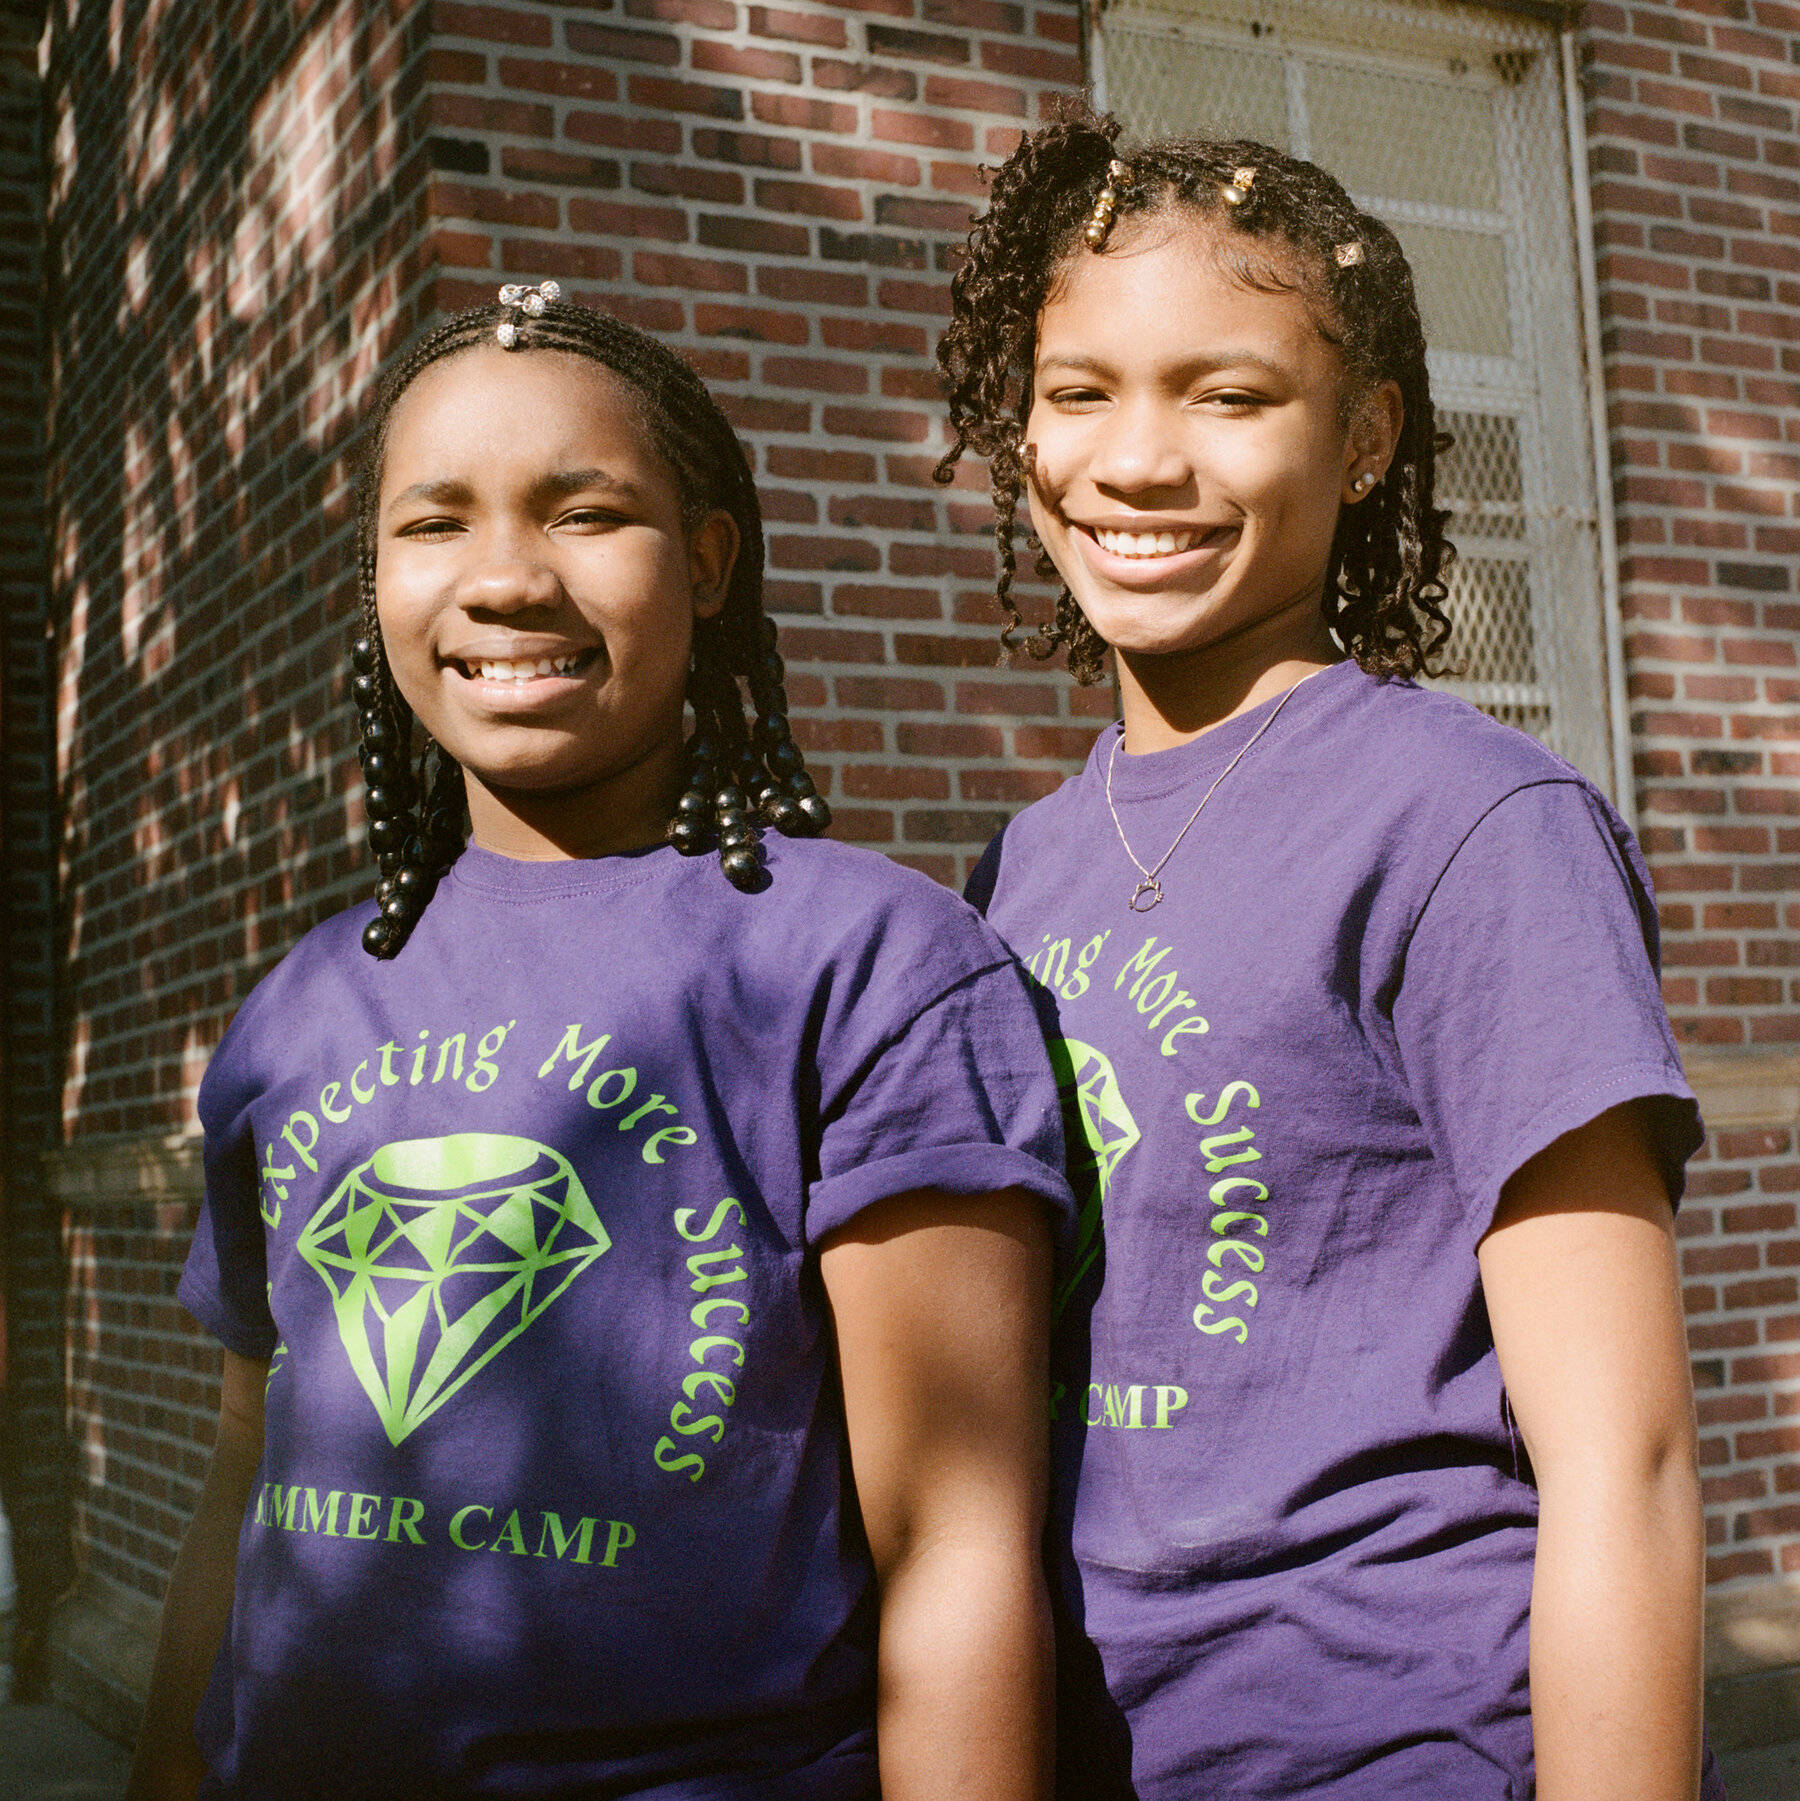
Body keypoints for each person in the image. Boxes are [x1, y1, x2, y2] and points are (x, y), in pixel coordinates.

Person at [126, 286, 1071, 1801]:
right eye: (434, 525)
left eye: (583, 511)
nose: (504, 577)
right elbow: (246, 1475)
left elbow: (951, 1542)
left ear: (707, 561)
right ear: (375, 577)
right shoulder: (300, 1003)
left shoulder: (862, 965)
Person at [936, 109, 1723, 1801]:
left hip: (1392, 1738)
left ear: (1365, 438)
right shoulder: (1010, 874)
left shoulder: (1468, 824)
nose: (1137, 460)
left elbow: (1629, 1460)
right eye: (1079, 391)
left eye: (1228, 395)